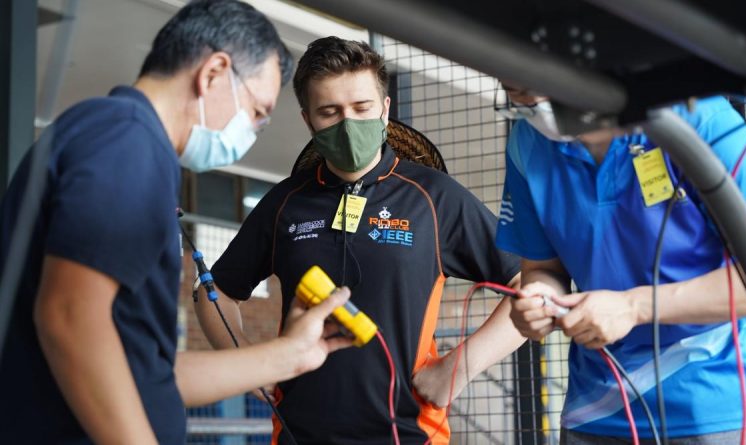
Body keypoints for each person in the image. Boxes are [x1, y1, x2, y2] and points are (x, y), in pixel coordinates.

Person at [0, 2, 355, 444]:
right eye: (258, 114)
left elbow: (150, 375)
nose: (253, 132)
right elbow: (70, 318)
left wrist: (289, 357)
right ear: (213, 73)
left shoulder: (112, 137)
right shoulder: (127, 140)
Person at [197, 36, 524, 445]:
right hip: (299, 435)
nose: (348, 123)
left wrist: (457, 367)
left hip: (409, 434)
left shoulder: (433, 197)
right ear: (308, 119)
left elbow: (527, 286)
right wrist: (248, 366)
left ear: (385, 110)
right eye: (330, 112)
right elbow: (213, 293)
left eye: (361, 108)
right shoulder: (285, 203)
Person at [495, 84, 746, 444]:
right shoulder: (526, 144)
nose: (532, 109)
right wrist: (537, 300)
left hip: (712, 400)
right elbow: (543, 268)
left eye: (536, 91)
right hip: (596, 407)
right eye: (516, 95)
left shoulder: (700, 118)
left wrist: (633, 307)